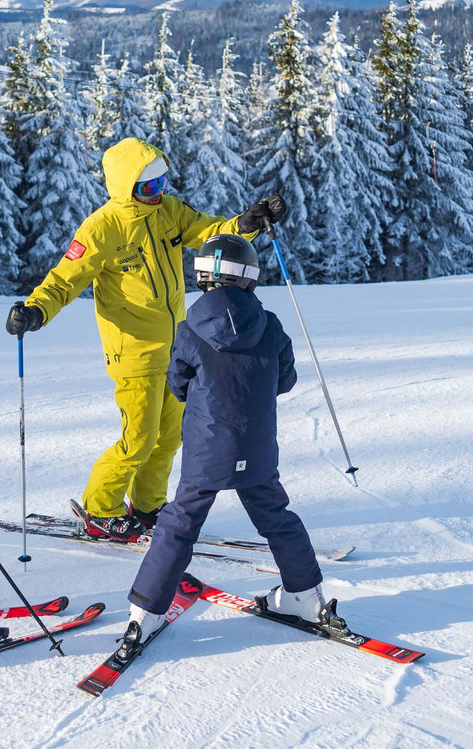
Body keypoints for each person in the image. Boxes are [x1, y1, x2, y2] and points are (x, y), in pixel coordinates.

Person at [6, 138, 286, 541]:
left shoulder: (169, 212)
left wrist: (244, 224)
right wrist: (35, 310)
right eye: (150, 187)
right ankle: (101, 509)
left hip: (175, 348)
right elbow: (64, 280)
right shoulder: (102, 229)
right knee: (138, 439)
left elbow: (210, 232)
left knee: (170, 437)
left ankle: (150, 506)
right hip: (133, 351)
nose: (159, 194)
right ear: (127, 187)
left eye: (163, 182)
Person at [125, 233, 326, 640]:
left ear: (203, 277)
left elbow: (178, 383)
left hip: (206, 450)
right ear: (250, 276)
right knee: (277, 518)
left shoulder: (190, 330)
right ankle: (304, 596)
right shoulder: (269, 325)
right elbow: (285, 379)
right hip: (257, 446)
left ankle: (145, 613)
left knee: (179, 524)